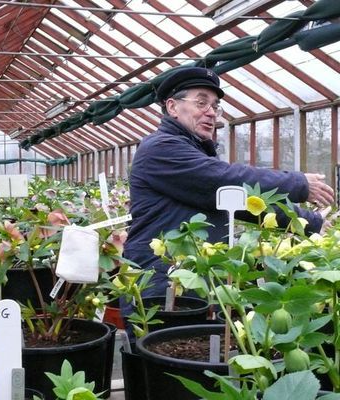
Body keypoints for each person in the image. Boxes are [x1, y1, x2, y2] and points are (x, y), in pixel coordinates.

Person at [122, 66, 334, 316]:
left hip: (185, 282)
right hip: (160, 284)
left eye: (215, 106)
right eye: (201, 103)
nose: (211, 113)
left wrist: (311, 222)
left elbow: (238, 202)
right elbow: (223, 179)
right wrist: (296, 183)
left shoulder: (192, 150)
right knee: (162, 350)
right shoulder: (161, 148)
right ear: (172, 107)